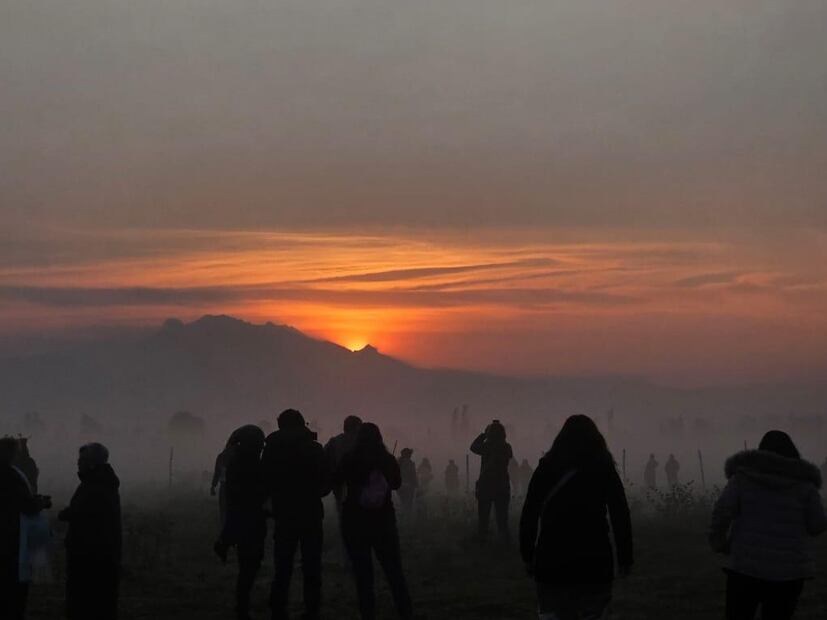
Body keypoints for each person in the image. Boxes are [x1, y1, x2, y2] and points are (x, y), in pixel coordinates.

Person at [520, 415, 633, 620]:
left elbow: (530, 512)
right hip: (594, 559)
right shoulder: (603, 468)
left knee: (554, 614)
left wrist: (527, 555)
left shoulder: (547, 467)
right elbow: (620, 514)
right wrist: (625, 557)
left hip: (552, 558)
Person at [709, 430, 826, 620]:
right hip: (789, 573)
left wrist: (720, 542)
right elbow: (817, 525)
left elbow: (722, 512)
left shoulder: (742, 478)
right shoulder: (805, 487)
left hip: (745, 568)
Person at [335, 422, 413, 620]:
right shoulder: (386, 459)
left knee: (363, 576)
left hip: (354, 521)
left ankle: (368, 614)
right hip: (383, 521)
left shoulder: (349, 459)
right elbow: (396, 484)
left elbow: (336, 482)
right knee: (394, 572)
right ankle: (405, 612)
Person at [262, 409, 330, 620]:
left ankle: (278, 609)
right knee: (312, 566)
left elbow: (264, 481)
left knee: (283, 566)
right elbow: (325, 485)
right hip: (311, 513)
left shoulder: (272, 449)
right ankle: (312, 610)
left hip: (284, 513)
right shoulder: (315, 449)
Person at [59, 442, 121, 620]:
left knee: (86, 602)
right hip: (101, 555)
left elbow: (83, 512)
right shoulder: (101, 482)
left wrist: (64, 514)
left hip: (89, 556)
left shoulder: (95, 485)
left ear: (92, 463)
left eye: (82, 460)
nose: (78, 463)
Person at [215, 425, 267, 620]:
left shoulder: (235, 463)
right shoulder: (254, 466)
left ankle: (242, 606)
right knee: (249, 567)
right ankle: (242, 608)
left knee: (247, 566)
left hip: (243, 519)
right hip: (252, 521)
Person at [0, 436, 51, 620]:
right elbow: (24, 504)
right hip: (11, 539)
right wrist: (40, 503)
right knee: (13, 588)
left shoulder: (12, 472)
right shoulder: (10, 475)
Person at [470, 420, 513, 541]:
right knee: (502, 520)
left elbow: (473, 447)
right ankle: (504, 544)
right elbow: (509, 456)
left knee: (483, 520)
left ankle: (483, 543)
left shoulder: (486, 447)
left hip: (486, 485)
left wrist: (483, 435)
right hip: (502, 486)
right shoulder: (506, 447)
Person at [324, 415, 363, 514]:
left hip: (339, 486)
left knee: (343, 513)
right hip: (359, 487)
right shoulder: (363, 443)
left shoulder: (334, 442)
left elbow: (325, 461)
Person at [211, 442, 230, 529]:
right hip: (234, 486)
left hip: (224, 485)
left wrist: (213, 486)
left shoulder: (222, 456)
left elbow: (217, 472)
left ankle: (224, 526)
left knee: (223, 508)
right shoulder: (239, 456)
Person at [397, 448, 418, 514]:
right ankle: (406, 516)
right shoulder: (409, 463)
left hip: (400, 486)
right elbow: (413, 475)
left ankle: (404, 514)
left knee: (403, 502)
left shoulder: (398, 462)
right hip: (408, 486)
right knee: (408, 504)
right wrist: (415, 484)